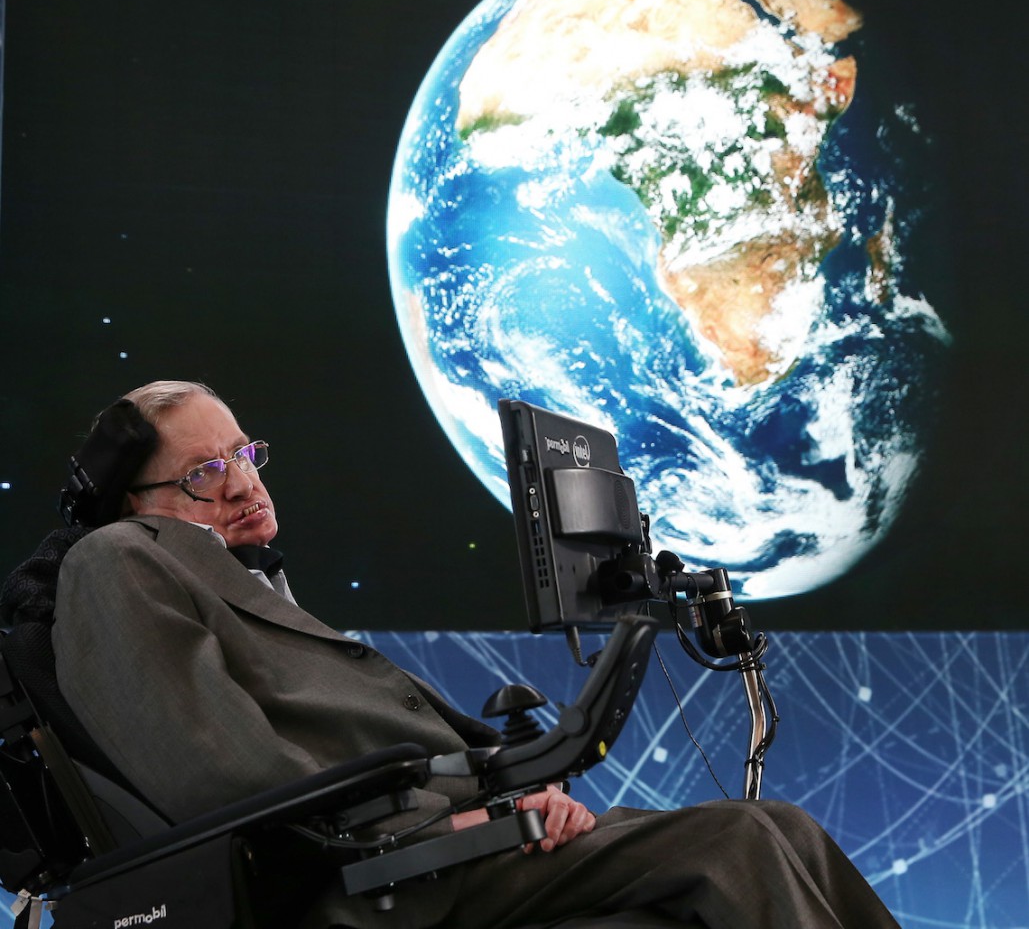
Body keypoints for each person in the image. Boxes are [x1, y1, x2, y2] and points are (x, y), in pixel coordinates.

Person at [42, 380, 901, 929]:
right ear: (133, 503)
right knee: (737, 843)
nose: (241, 481)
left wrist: (514, 792)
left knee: (783, 826)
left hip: (432, 841)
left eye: (243, 452)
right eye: (202, 473)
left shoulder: (249, 585)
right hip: (369, 875)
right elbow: (219, 777)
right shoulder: (116, 562)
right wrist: (441, 824)